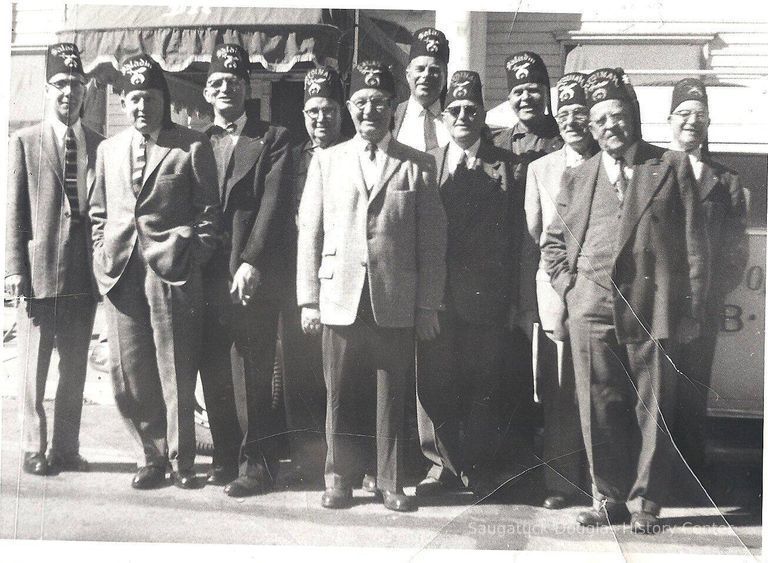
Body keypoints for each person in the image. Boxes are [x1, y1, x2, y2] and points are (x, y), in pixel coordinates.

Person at [542, 68, 708, 534]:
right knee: (598, 405)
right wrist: (569, 289)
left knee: (653, 408)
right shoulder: (580, 175)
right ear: (591, 129)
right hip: (590, 307)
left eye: (618, 115)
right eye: (600, 120)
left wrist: (691, 309)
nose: (609, 125)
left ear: (633, 117)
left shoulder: (669, 166)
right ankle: (608, 498)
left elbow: (695, 244)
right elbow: (553, 243)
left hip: (651, 307)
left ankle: (646, 505)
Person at [297, 60, 447, 512]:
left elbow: (432, 244)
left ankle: (389, 482)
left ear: (392, 107)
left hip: (393, 299)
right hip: (339, 295)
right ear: (349, 107)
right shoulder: (327, 160)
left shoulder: (418, 165)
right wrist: (307, 299)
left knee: (390, 393)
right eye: (361, 103)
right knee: (339, 393)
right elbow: (311, 232)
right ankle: (339, 478)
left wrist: (426, 307)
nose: (369, 112)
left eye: (379, 103)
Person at [89, 54, 222, 490]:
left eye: (149, 98)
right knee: (130, 371)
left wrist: (191, 258)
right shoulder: (108, 149)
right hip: (120, 273)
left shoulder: (190, 145)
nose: (141, 107)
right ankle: (151, 456)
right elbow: (98, 213)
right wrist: (100, 255)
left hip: (173, 273)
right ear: (123, 103)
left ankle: (184, 462)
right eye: (132, 99)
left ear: (163, 100)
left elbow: (208, 214)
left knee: (176, 369)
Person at [415, 70, 519, 498]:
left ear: (483, 116)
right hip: (436, 298)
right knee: (434, 386)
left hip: (485, 299)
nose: (461, 116)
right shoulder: (424, 164)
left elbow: (519, 238)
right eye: (453, 109)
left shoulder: (509, 168)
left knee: (482, 386)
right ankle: (440, 466)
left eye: (470, 110)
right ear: (442, 117)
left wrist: (513, 300)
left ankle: (477, 468)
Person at [5, 43, 103, 476]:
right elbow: (13, 212)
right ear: (47, 90)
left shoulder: (101, 145)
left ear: (86, 91)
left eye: (76, 85)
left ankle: (65, 447)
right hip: (38, 271)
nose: (68, 92)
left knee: (75, 368)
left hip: (85, 271)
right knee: (33, 368)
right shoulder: (24, 143)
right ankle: (32, 446)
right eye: (60, 84)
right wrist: (12, 269)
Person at [201, 43, 293, 496]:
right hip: (205, 275)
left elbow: (273, 205)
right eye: (217, 83)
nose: (225, 90)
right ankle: (224, 455)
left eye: (234, 83)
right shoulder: (197, 139)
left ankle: (258, 463)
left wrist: (253, 261)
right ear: (206, 91)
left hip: (249, 275)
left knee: (252, 371)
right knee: (213, 367)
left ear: (247, 89)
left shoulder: (272, 136)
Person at [668, 78, 748, 478]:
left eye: (699, 115)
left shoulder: (726, 181)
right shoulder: (652, 171)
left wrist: (703, 300)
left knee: (693, 389)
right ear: (669, 120)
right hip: (658, 304)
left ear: (709, 122)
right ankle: (651, 474)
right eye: (683, 113)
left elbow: (736, 253)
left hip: (702, 308)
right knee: (653, 390)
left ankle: (687, 476)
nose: (691, 122)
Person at [524, 72, 597, 509]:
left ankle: (600, 481)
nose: (572, 121)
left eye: (580, 112)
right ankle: (561, 481)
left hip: (600, 295)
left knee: (599, 387)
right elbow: (536, 234)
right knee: (557, 391)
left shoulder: (609, 162)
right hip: (555, 293)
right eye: (564, 113)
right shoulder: (540, 169)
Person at [493, 51, 563, 472]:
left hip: (550, 267)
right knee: (512, 367)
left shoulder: (565, 137)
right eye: (518, 91)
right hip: (508, 272)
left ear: (547, 92)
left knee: (554, 372)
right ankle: (517, 460)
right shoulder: (498, 143)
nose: (526, 98)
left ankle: (556, 461)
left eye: (534, 90)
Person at [280, 65, 347, 482]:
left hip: (343, 281)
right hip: (300, 280)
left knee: (341, 379)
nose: (320, 119)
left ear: (341, 112)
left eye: (327, 110)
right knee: (300, 373)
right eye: (312, 111)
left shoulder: (355, 152)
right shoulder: (292, 158)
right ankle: (307, 459)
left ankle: (347, 462)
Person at [391, 27, 450, 151]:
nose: (426, 75)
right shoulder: (392, 116)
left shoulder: (456, 119)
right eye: (420, 69)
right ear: (408, 74)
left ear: (444, 77)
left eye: (434, 70)